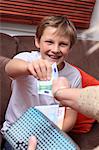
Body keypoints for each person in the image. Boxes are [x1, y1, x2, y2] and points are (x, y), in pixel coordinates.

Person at [2, 15, 85, 149]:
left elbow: (70, 118)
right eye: (49, 42)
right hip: (17, 131)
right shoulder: (26, 58)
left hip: (50, 134)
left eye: (63, 44)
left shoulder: (74, 75)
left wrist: (49, 133)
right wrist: (28, 68)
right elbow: (10, 68)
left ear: (70, 48)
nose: (55, 49)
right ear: (37, 41)